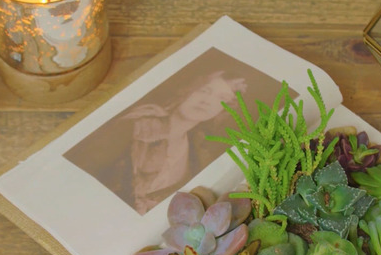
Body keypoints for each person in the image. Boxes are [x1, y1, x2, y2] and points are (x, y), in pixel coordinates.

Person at [64, 70, 247, 215]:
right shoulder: (137, 125)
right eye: (204, 91)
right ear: (188, 90)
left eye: (222, 99)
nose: (207, 101)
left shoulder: (198, 150)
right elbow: (79, 176)